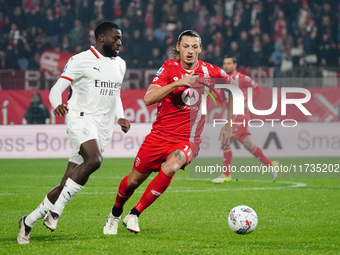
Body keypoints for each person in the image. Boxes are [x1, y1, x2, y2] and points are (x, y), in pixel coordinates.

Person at [103, 30, 235, 235]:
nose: (190, 51)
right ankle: (115, 213)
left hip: (188, 140)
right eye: (185, 46)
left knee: (172, 166)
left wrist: (229, 123)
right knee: (133, 181)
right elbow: (148, 99)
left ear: (200, 48)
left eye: (194, 47)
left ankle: (135, 214)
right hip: (159, 136)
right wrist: (177, 83)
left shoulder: (210, 71)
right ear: (178, 47)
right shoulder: (168, 67)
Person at [17, 22, 131, 245]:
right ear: (101, 38)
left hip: (103, 126)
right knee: (95, 160)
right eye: (116, 38)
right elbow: (56, 89)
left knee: (65, 183)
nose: (120, 42)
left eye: (120, 38)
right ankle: (56, 211)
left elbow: (115, 94)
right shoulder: (81, 59)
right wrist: (56, 105)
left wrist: (120, 116)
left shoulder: (120, 64)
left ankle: (28, 221)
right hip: (80, 117)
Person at [211, 55, 278, 184]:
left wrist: (248, 103)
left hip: (241, 114)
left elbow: (258, 89)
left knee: (226, 139)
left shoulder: (242, 78)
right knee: (248, 145)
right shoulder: (224, 81)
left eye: (229, 63)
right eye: (224, 64)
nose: (226, 66)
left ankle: (226, 174)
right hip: (233, 115)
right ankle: (271, 165)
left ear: (235, 65)